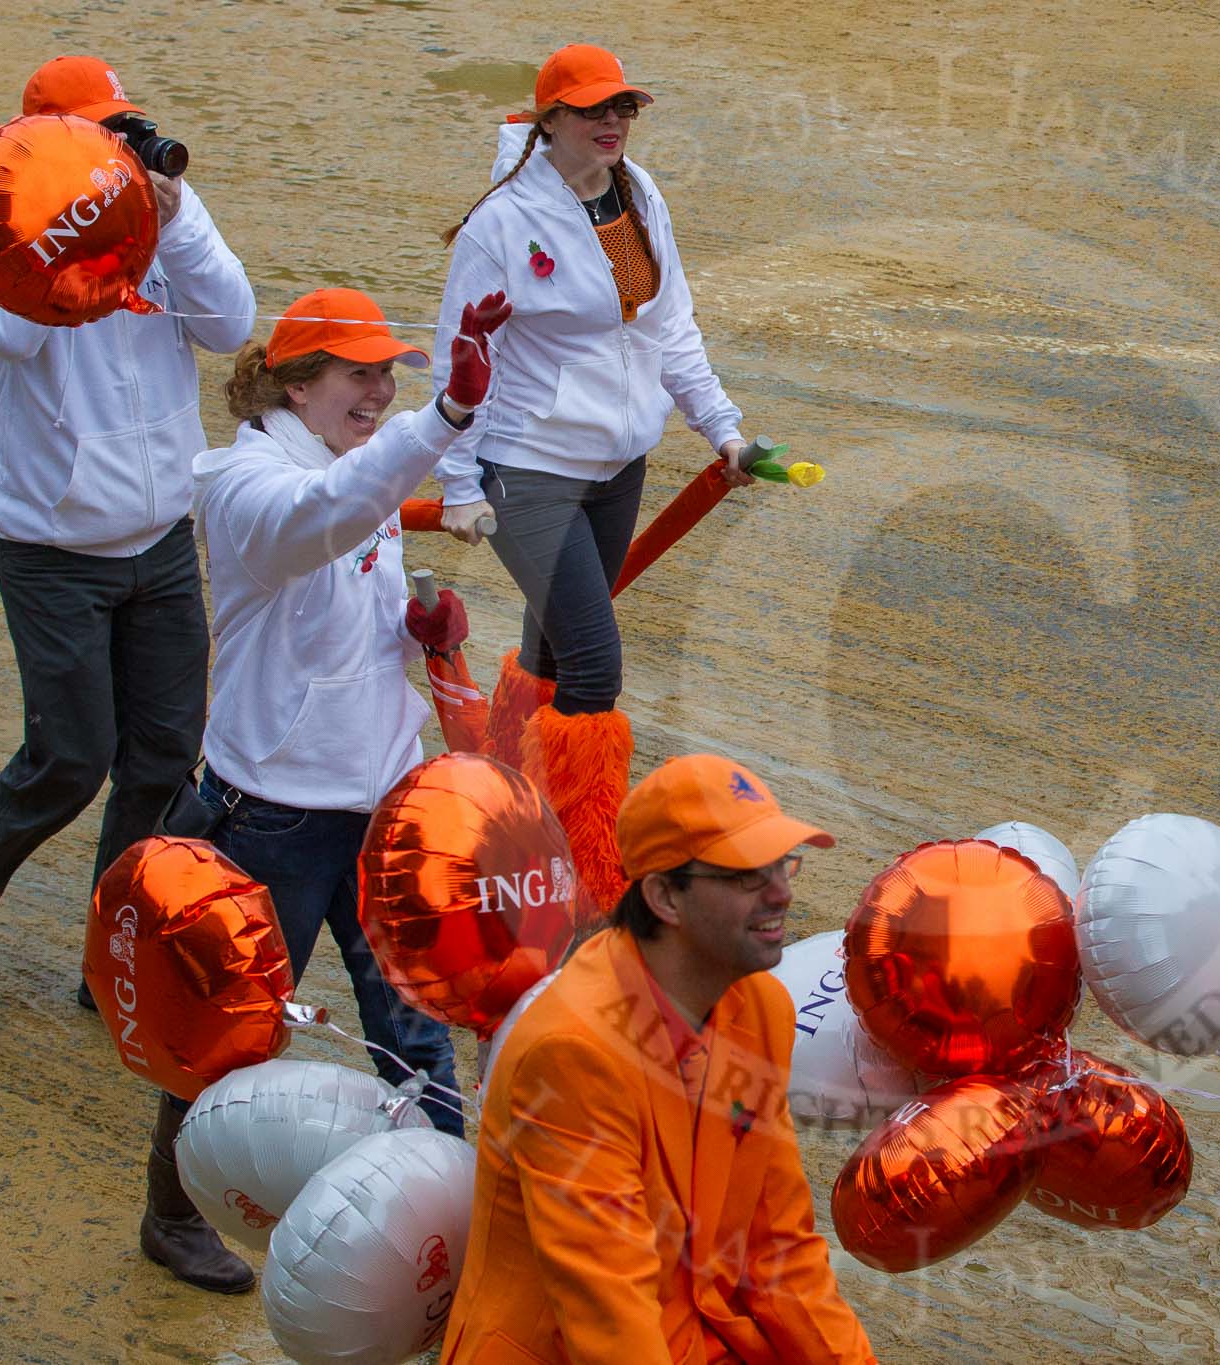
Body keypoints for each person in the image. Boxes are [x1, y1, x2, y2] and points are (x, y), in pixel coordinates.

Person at [0, 55, 254, 995]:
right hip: (50, 545)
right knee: (70, 757)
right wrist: (80, 226)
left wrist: (173, 219)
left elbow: (230, 326)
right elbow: (16, 334)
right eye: (101, 132)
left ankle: (112, 953)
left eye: (126, 127)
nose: (122, 147)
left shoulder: (164, 212)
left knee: (159, 758)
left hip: (157, 538)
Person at [431, 42, 756, 917]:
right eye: (592, 111)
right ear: (549, 120)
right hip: (526, 468)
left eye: (624, 109)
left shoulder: (641, 195)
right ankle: (583, 878)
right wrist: (458, 483)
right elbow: (463, 352)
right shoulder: (503, 223)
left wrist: (721, 428)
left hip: (618, 466)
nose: (613, 123)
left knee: (551, 646)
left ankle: (503, 798)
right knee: (595, 666)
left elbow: (671, 327)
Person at [193, 286, 511, 1144]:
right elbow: (324, 517)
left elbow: (348, 583)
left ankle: (452, 1205)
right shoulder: (245, 486)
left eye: (389, 375)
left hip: (379, 799)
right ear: (297, 386)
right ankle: (174, 1212)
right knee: (238, 1031)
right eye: (358, 373)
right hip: (276, 810)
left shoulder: (352, 460)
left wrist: (414, 636)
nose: (379, 393)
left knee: (416, 1031)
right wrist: (443, 415)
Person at [444, 754, 875, 1364]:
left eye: (783, 864)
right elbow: (609, 1311)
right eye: (748, 875)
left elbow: (778, 1246)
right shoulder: (572, 1053)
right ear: (665, 897)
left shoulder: (761, 1008)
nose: (782, 893)